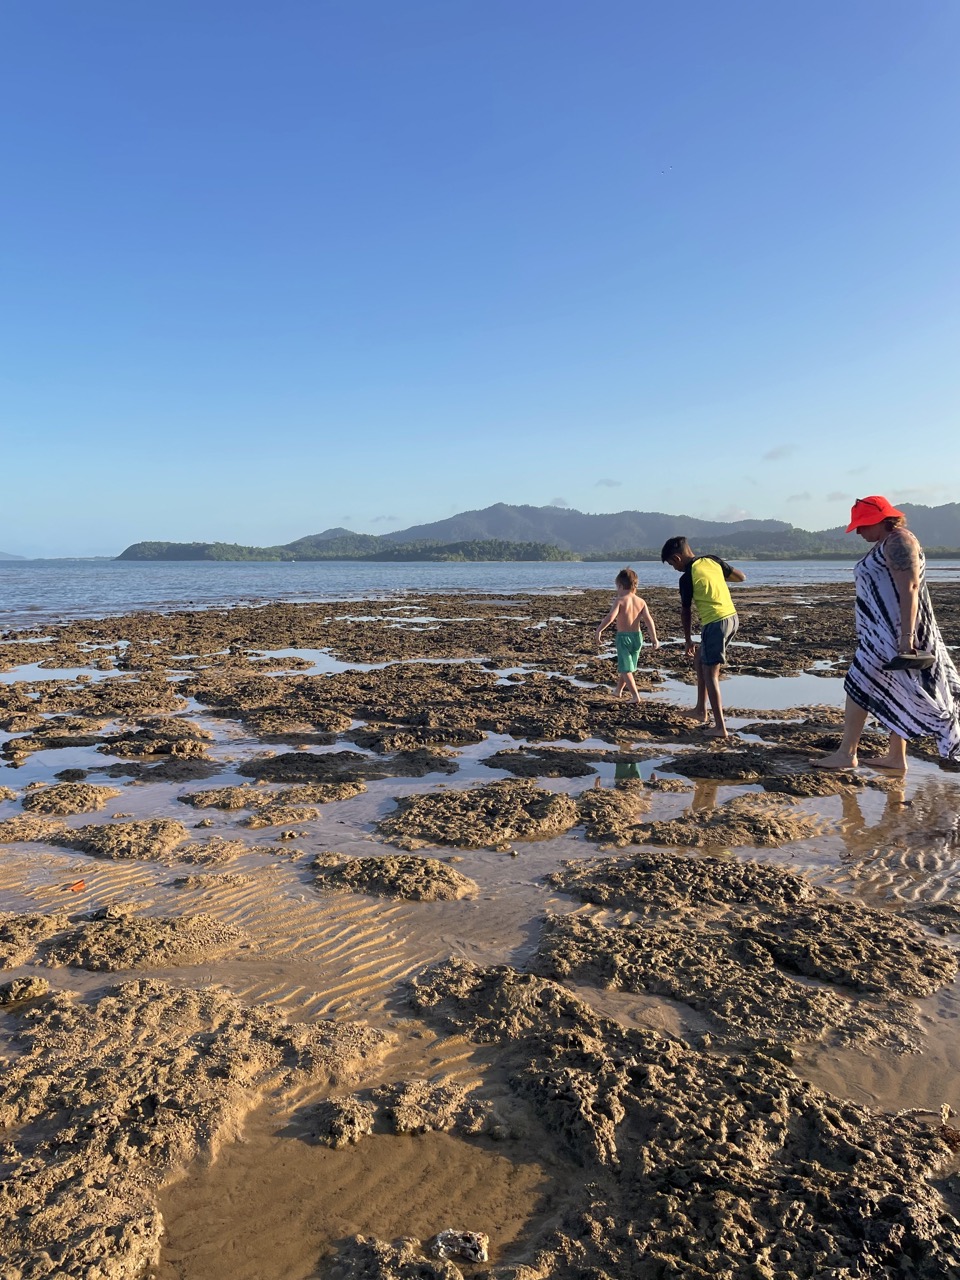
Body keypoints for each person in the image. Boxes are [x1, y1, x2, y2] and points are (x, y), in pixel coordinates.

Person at [820, 495, 960, 773]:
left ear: (878, 520)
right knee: (901, 689)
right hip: (883, 633)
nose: (858, 532)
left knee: (857, 684)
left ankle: (847, 753)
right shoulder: (888, 542)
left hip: (895, 634)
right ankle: (896, 757)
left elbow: (910, 588)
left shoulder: (899, 541)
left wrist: (906, 638)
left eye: (861, 525)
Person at [660, 536, 746, 738]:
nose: (674, 568)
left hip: (715, 623)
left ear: (677, 557)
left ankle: (720, 728)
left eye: (672, 564)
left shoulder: (687, 577)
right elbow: (741, 577)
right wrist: (716, 578)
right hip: (732, 618)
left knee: (710, 673)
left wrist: (688, 640)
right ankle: (700, 710)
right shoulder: (712, 560)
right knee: (700, 659)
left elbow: (686, 612)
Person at [596, 567, 659, 703]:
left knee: (625, 668)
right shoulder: (641, 601)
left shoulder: (620, 600)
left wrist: (599, 630)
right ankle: (618, 690)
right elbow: (649, 620)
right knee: (628, 666)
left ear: (620, 585)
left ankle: (635, 696)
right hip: (638, 638)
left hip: (623, 638)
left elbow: (610, 617)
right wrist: (654, 638)